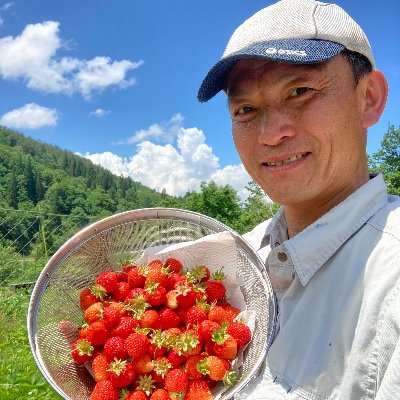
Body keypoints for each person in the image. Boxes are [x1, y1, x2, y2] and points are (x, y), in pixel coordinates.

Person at [198, 0, 400, 399]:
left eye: (300, 90)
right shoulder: (235, 255)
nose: (270, 134)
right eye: (246, 109)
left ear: (369, 98)